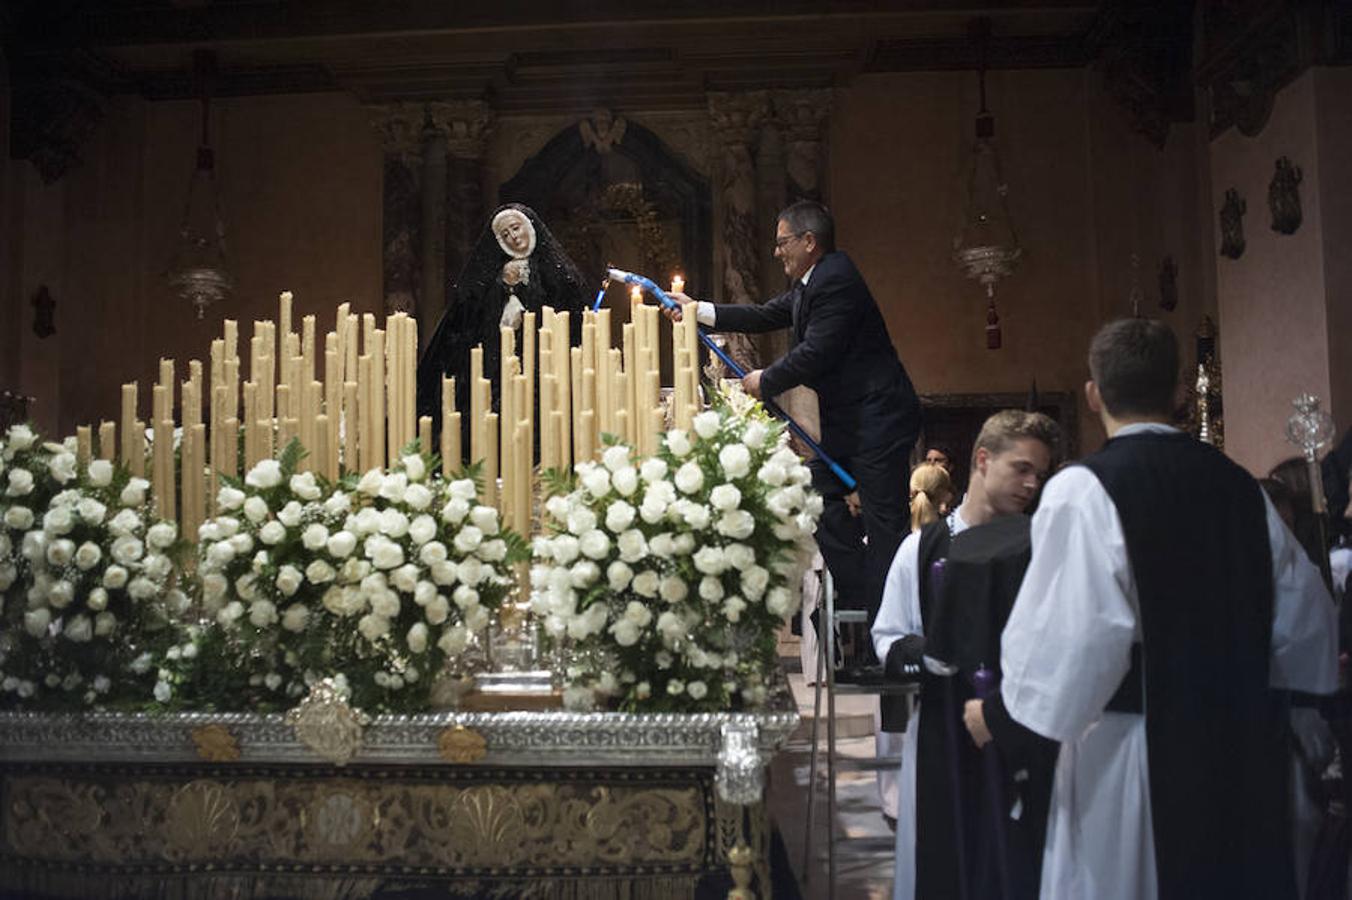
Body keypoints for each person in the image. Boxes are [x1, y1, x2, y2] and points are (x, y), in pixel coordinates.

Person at [963, 318, 1338, 900]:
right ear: (1179, 393)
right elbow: (1305, 621)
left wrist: (1006, 715)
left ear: (1093, 394)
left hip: (1129, 754)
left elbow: (1079, 640)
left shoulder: (1083, 488)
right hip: (1238, 745)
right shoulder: (1238, 486)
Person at [668, 200, 922, 631]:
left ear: (809, 241)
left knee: (885, 528)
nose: (776, 252)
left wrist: (766, 378)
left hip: (879, 419)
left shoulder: (837, 278)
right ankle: (863, 595)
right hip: (852, 425)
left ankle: (890, 636)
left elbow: (818, 351)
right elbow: (765, 314)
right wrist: (698, 311)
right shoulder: (811, 283)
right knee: (812, 494)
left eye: (782, 241)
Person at [871, 410, 1060, 900]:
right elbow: (889, 636)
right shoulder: (920, 549)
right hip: (943, 727)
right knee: (946, 858)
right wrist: (935, 655)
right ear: (982, 459)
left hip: (1023, 729)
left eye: (1039, 474)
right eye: (1021, 468)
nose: (1031, 483)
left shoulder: (1042, 547)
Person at [416, 203, 590, 452]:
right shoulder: (490, 275)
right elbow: (468, 313)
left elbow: (573, 310)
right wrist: (502, 287)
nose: (514, 237)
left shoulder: (560, 273)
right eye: (506, 234)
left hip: (547, 368)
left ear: (530, 227)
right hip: (499, 367)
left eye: (516, 228)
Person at [877, 461, 958, 830]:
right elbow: (890, 633)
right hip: (922, 666)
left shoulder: (905, 543)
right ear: (947, 498)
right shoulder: (920, 547)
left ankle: (896, 805)